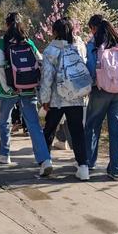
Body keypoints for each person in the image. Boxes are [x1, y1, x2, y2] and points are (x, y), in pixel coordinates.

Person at [0, 12, 53, 176]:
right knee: (34, 125)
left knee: (4, 121)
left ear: (7, 25)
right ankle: (44, 160)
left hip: (9, 90)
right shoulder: (28, 41)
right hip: (28, 87)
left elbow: (1, 67)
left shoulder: (2, 42)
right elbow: (40, 61)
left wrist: (7, 88)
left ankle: (4, 153)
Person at [39, 17, 91, 181]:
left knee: (49, 130)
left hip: (57, 98)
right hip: (76, 97)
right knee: (77, 131)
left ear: (54, 32)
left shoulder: (50, 50)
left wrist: (45, 99)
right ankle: (83, 167)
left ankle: (46, 161)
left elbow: (47, 77)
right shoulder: (79, 46)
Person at [85, 14, 118, 181]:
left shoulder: (93, 45)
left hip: (100, 90)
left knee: (92, 126)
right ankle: (116, 169)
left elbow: (90, 69)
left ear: (94, 28)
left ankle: (89, 162)